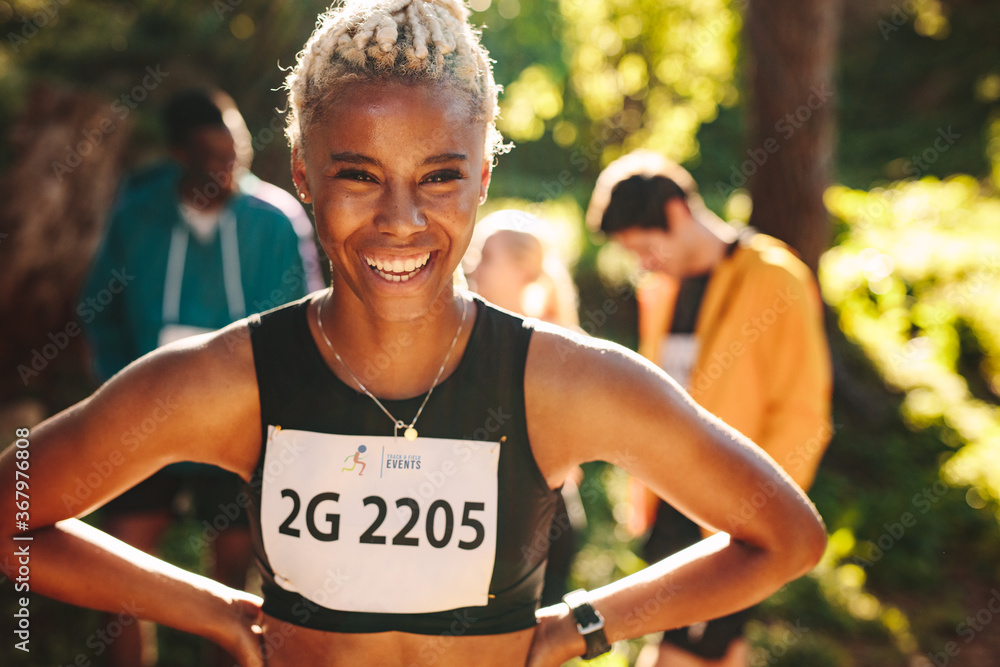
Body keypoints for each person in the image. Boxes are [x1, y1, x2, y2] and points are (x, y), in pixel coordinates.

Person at [0, 3, 827, 667]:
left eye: (440, 177)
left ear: (485, 177)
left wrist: (579, 625)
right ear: (301, 174)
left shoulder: (567, 380)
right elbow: (13, 508)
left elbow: (785, 536)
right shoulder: (230, 376)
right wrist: (214, 610)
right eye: (358, 175)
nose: (400, 222)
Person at [79, 88, 308, 666]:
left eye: (237, 153)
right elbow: (99, 311)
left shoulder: (274, 220)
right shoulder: (139, 215)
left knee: (235, 579)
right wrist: (117, 388)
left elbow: (301, 322)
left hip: (239, 426)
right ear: (180, 154)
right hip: (143, 423)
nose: (227, 168)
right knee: (120, 569)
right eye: (211, 157)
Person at [586, 150, 833, 667]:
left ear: (675, 212)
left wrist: (763, 521)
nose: (642, 264)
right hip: (673, 505)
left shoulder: (774, 276)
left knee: (675, 653)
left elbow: (804, 409)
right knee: (716, 651)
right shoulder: (662, 288)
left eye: (645, 247)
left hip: (738, 519)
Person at [464, 209, 585, 607]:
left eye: (486, 255)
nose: (471, 266)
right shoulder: (469, 338)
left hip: (542, 524)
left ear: (523, 270)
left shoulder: (560, 348)